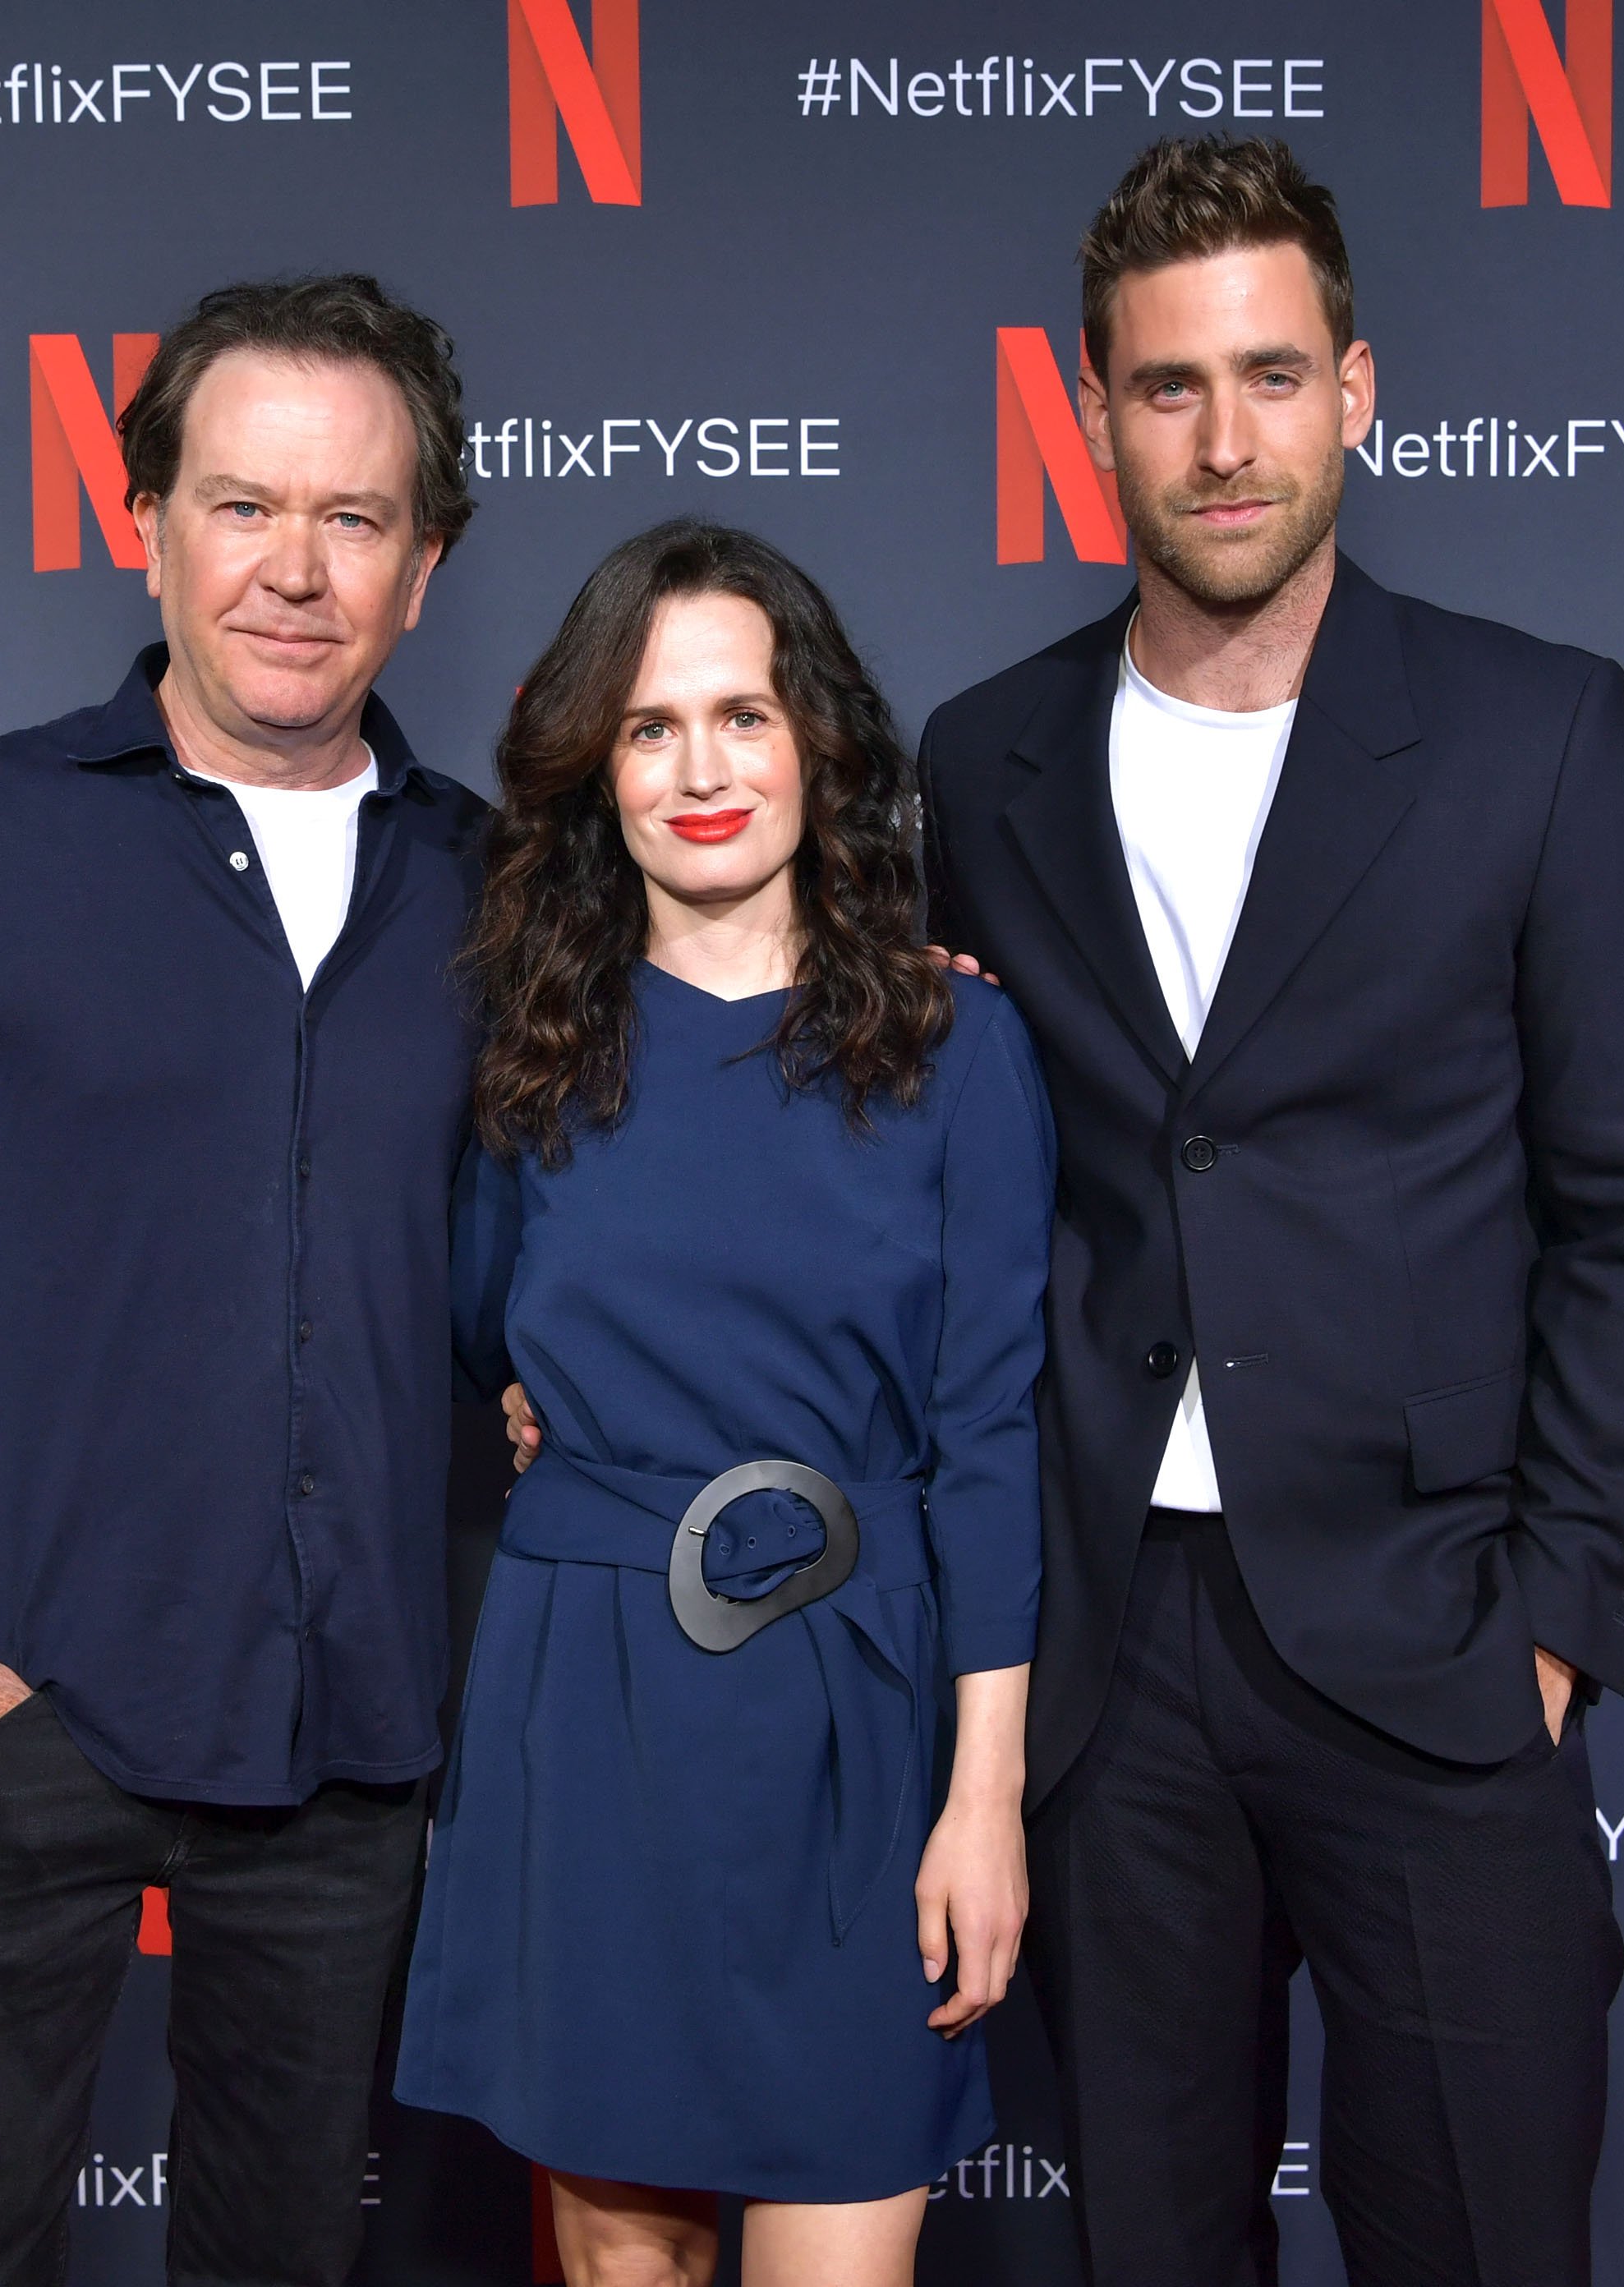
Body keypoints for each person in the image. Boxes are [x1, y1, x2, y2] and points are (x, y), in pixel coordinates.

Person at [916, 139, 1624, 2285]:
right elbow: (919, 1175)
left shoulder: (1536, 735)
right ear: (1093, 416)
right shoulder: (981, 767)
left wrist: (1559, 1613)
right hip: (1114, 1653)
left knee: (1475, 2230)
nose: (1227, 435)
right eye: (1169, 387)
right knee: (1148, 2246)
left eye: (1273, 375)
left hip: (1437, 1632)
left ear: (1359, 388)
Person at [0, 274, 485, 2287]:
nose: (293, 573)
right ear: (143, 518)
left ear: (427, 561)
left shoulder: (506, 891)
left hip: (353, 1753)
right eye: (242, 506)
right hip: (18, 1719)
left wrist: (904, 995)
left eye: (352, 520)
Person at [397, 521, 1053, 2287]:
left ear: (817, 741)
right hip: (590, 1703)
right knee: (623, 2267)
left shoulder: (955, 1046)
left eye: (743, 716)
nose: (703, 770)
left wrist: (979, 1799)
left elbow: (988, 1438)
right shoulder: (537, 1053)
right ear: (594, 770)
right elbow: (483, 1341)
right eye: (649, 725)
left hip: (860, 1715)